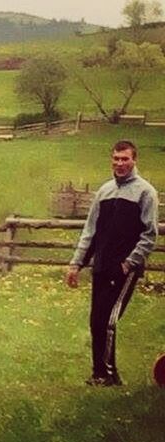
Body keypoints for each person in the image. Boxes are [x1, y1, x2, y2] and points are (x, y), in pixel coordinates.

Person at [65, 140, 159, 386]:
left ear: (134, 160)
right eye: (116, 159)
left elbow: (150, 235)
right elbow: (90, 231)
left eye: (125, 159)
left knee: (108, 320)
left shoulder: (145, 192)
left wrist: (129, 263)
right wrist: (76, 264)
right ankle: (102, 374)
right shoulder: (104, 192)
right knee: (96, 320)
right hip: (102, 266)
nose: (120, 164)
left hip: (123, 269)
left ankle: (106, 374)